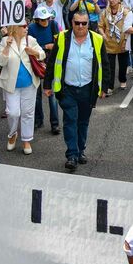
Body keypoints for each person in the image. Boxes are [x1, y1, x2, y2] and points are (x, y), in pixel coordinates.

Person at [44, 11, 105, 172]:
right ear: (72, 23)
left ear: (88, 24)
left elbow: (104, 64)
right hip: (67, 89)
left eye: (83, 23)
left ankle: (80, 151)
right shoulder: (62, 38)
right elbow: (52, 62)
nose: (80, 26)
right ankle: (71, 155)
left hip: (87, 89)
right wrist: (47, 85)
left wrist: (104, 87)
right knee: (70, 120)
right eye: (77, 23)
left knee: (83, 122)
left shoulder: (97, 39)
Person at [0, 24, 43, 155]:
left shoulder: (30, 40)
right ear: (15, 28)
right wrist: (6, 46)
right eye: (23, 26)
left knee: (28, 112)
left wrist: (33, 52)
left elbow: (42, 54)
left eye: (26, 26)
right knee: (13, 112)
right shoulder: (5, 41)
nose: (26, 28)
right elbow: (1, 62)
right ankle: (12, 134)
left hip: (29, 83)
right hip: (11, 85)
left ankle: (26, 140)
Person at [98, 0, 130, 96]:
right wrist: (103, 35)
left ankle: (122, 80)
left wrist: (126, 40)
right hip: (109, 42)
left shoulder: (125, 12)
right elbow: (100, 26)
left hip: (121, 41)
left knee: (123, 65)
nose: (112, 0)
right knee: (109, 66)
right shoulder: (105, 12)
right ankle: (109, 86)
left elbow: (128, 26)